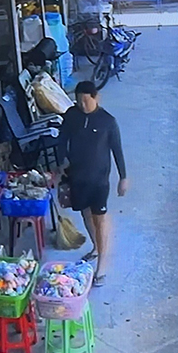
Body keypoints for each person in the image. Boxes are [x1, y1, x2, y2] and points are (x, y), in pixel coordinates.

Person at [59, 81, 128, 287]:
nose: (82, 104)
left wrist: (123, 177)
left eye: (86, 100)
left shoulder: (107, 121)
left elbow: (117, 150)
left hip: (99, 180)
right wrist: (62, 161)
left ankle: (102, 267)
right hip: (77, 176)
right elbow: (62, 139)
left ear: (96, 98)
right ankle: (96, 248)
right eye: (79, 100)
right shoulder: (71, 116)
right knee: (85, 213)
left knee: (101, 220)